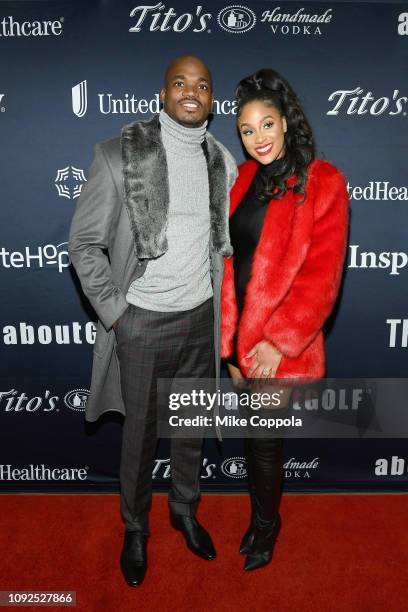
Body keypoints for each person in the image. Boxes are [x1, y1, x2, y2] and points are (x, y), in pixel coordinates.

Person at [69, 55, 237, 587]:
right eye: (180, 83)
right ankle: (135, 528)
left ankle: (184, 510)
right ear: (162, 94)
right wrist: (118, 317)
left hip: (200, 320)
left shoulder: (221, 160)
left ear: (213, 100)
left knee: (189, 428)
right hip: (141, 322)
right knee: (139, 436)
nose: (192, 92)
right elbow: (83, 244)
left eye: (203, 85)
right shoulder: (119, 156)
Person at [221, 68, 349, 571]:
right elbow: (230, 265)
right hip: (237, 340)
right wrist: (228, 344)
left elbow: (323, 276)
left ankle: (266, 528)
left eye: (266, 125)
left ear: (287, 122)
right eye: (247, 131)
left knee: (266, 443)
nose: (258, 139)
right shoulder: (243, 178)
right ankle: (260, 519)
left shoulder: (323, 181)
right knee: (254, 440)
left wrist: (279, 341)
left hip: (277, 346)